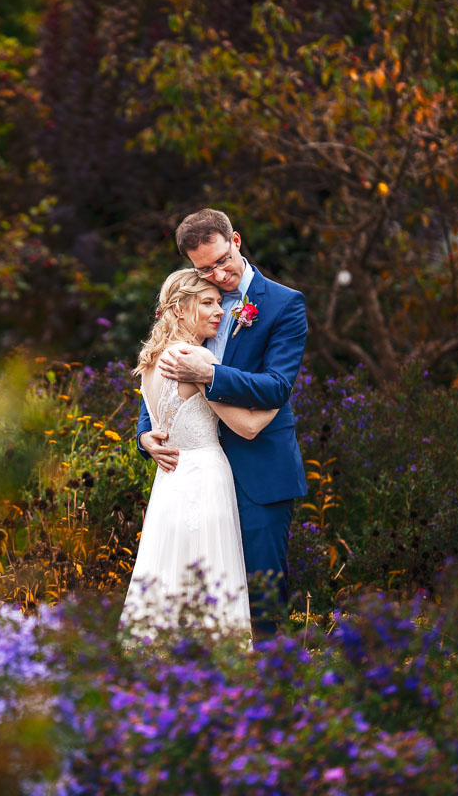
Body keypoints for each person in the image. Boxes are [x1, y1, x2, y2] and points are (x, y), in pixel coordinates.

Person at [136, 208, 308, 638]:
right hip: (197, 474)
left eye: (221, 261)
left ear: (236, 241)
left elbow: (276, 385)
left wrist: (209, 375)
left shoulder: (285, 304)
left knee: (261, 590)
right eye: (204, 268)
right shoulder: (195, 298)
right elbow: (164, 374)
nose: (218, 274)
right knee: (199, 589)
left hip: (258, 469)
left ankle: (271, 690)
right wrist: (145, 434)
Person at [120, 269, 279, 647]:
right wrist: (280, 396)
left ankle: (161, 664)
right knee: (211, 573)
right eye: (207, 303)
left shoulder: (152, 360)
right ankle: (218, 664)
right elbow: (247, 427)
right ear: (178, 308)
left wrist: (144, 436)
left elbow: (158, 417)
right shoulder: (195, 358)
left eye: (219, 302)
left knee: (169, 571)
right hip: (205, 477)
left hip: (170, 481)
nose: (219, 311)